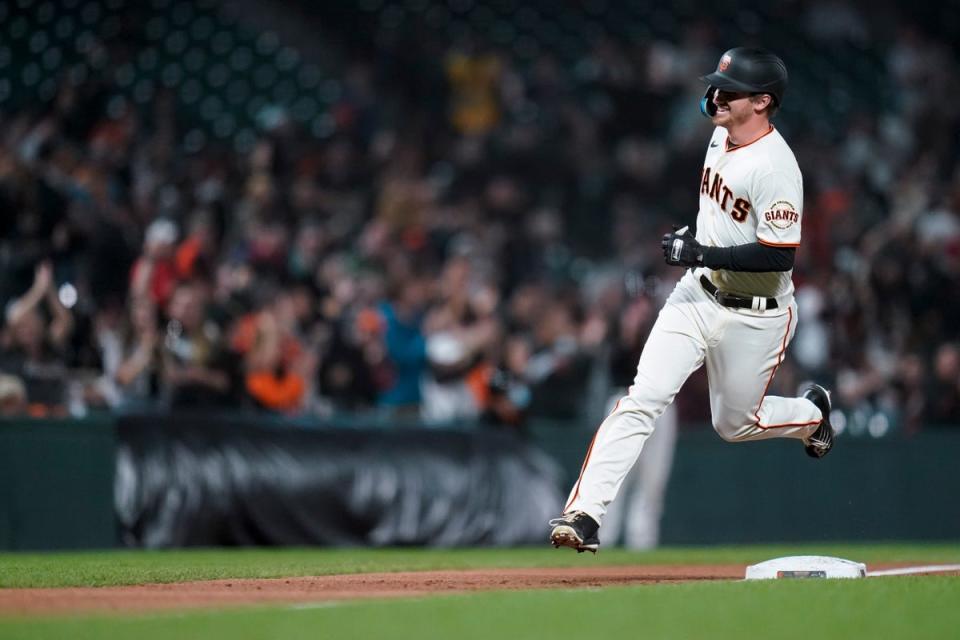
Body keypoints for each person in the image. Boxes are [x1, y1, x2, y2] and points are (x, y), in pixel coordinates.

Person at [549, 47, 835, 553]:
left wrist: (700, 248)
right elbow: (705, 100)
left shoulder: (776, 167)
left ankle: (812, 415)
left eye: (732, 91)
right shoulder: (721, 124)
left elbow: (780, 256)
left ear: (764, 102)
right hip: (696, 296)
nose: (717, 96)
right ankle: (585, 513)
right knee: (643, 398)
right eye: (718, 87)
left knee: (734, 424)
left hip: (757, 316)